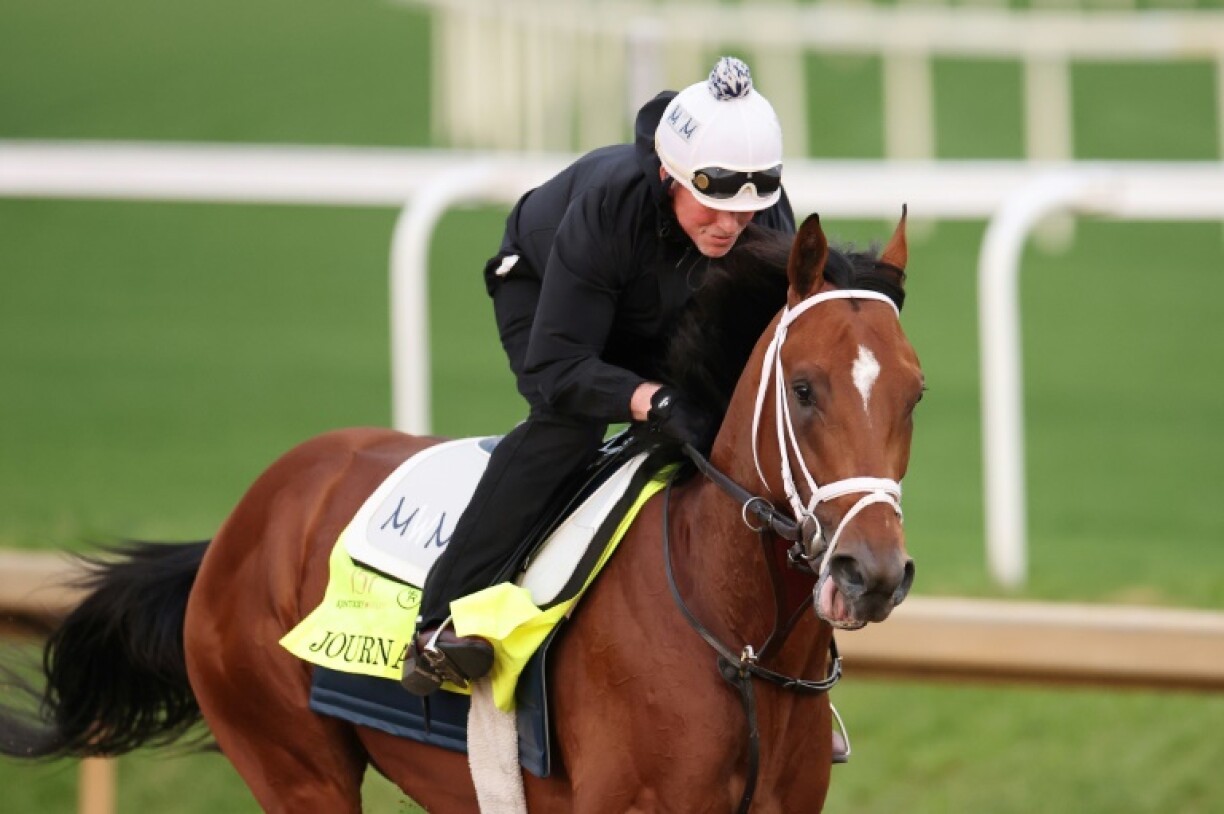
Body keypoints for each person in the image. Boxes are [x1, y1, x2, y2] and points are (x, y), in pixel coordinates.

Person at [402, 56, 795, 696]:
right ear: (670, 174)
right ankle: (443, 620)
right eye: (713, 206)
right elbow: (560, 367)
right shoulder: (608, 207)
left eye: (746, 212)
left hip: (660, 310)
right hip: (546, 298)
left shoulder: (763, 217)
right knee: (570, 428)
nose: (730, 226)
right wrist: (651, 397)